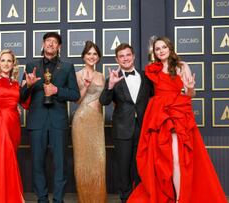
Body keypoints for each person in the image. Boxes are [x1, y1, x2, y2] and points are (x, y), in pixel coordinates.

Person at [127, 37, 227, 203]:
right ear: (154, 53)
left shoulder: (182, 66)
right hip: (159, 116)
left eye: (164, 47)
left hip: (177, 113)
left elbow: (190, 94)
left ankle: (181, 198)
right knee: (162, 159)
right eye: (157, 49)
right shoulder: (153, 70)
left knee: (177, 158)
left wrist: (190, 87)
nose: (161, 51)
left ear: (170, 48)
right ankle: (171, 195)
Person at [20, 32, 80, 203]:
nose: (51, 44)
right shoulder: (31, 65)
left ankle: (59, 199)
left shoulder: (67, 67)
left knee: (60, 164)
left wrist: (57, 91)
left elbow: (75, 94)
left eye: (55, 42)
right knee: (37, 163)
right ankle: (42, 198)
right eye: (48, 41)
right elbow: (21, 97)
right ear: (43, 44)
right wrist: (28, 86)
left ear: (59, 47)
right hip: (36, 121)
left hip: (58, 121)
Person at [0, 49, 39, 202]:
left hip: (13, 123)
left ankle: (10, 195)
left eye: (9, 61)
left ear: (13, 64)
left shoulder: (15, 84)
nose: (6, 64)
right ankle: (3, 198)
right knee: (2, 160)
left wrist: (28, 87)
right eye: (3, 61)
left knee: (9, 159)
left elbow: (25, 104)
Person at [99, 43, 153, 203]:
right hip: (122, 129)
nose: (125, 58)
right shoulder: (113, 78)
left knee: (141, 167)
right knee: (123, 167)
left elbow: (159, 97)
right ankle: (126, 199)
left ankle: (140, 198)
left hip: (143, 127)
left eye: (128, 55)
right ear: (117, 59)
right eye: (121, 56)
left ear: (134, 56)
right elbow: (103, 101)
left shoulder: (146, 77)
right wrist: (110, 86)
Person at [71, 41, 106, 203]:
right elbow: (76, 100)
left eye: (95, 54)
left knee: (98, 160)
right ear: (83, 57)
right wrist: (85, 86)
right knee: (83, 161)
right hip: (82, 119)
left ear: (98, 57)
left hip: (97, 120)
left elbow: (105, 98)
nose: (92, 57)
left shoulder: (102, 76)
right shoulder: (77, 74)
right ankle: (85, 199)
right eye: (89, 54)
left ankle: (98, 198)